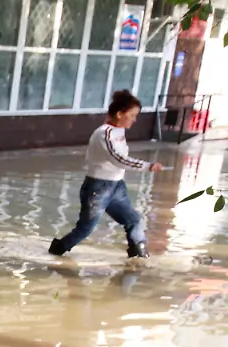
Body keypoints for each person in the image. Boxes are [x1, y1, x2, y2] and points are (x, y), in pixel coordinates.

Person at [50, 90, 165, 259]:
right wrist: (148, 166)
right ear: (119, 114)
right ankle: (57, 250)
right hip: (98, 188)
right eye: (132, 115)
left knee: (134, 220)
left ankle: (139, 257)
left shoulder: (119, 131)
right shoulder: (104, 134)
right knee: (85, 229)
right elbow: (118, 159)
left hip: (117, 187)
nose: (134, 120)